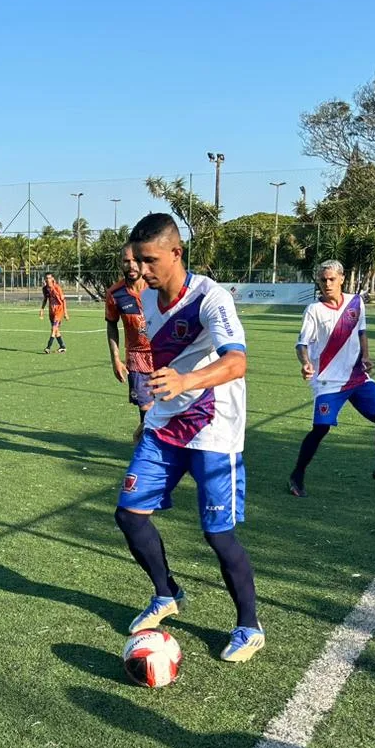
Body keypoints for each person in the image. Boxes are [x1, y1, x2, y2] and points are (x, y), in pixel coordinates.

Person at [115, 213, 262, 664]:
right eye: (136, 260)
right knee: (130, 514)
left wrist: (185, 382)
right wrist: (154, 410)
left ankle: (248, 624)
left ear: (176, 253)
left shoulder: (209, 298)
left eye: (149, 259)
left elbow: (237, 363)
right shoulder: (146, 300)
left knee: (218, 535)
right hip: (165, 427)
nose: (140, 269)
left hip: (213, 429)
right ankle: (166, 594)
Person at [288, 260, 375, 497]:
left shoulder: (356, 302)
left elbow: (361, 331)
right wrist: (306, 363)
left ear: (342, 278)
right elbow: (301, 344)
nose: (327, 284)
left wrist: (367, 357)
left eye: (331, 279)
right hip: (328, 381)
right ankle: (297, 474)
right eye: (323, 280)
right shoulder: (313, 310)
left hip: (357, 377)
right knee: (320, 429)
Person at [104, 244, 154, 439]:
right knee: (147, 409)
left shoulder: (158, 287)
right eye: (127, 261)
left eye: (135, 260)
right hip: (137, 358)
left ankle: (144, 437)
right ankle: (147, 448)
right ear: (121, 263)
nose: (131, 265)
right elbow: (111, 325)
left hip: (162, 354)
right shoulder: (115, 293)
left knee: (169, 409)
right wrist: (115, 359)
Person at [39, 272, 67, 353]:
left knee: (53, 329)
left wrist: (65, 313)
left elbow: (63, 300)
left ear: (52, 279)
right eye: (46, 278)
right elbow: (45, 299)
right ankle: (62, 346)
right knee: (56, 330)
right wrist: (42, 309)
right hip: (51, 312)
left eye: (49, 278)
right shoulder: (45, 289)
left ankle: (48, 347)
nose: (48, 280)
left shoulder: (57, 288)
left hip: (59, 311)